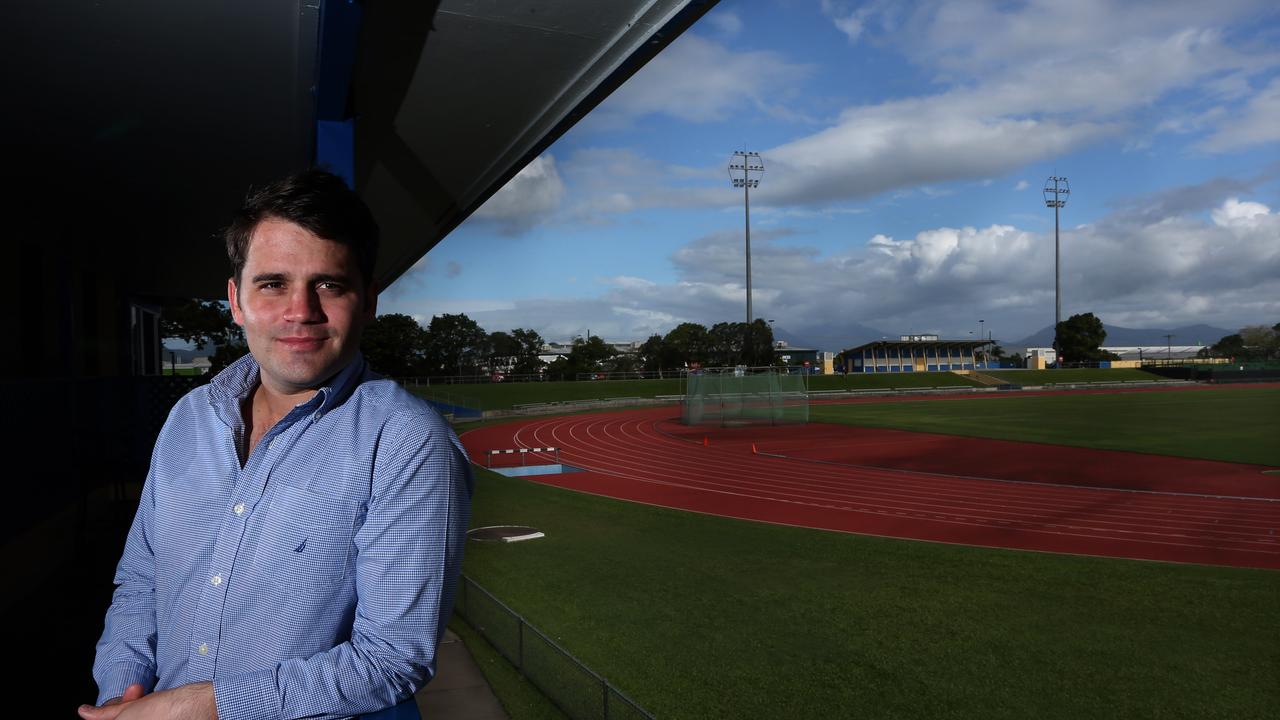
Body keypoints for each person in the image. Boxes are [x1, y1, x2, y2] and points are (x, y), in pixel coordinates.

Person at [80, 169, 473, 720]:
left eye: (329, 285)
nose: (300, 311)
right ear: (236, 300)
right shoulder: (188, 418)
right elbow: (141, 582)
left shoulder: (407, 442)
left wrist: (209, 706)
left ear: (368, 302)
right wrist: (120, 698)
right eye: (273, 284)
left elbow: (392, 658)